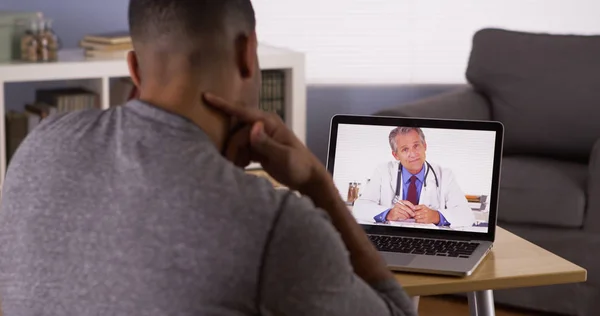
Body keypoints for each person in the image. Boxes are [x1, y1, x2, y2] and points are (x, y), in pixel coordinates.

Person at [0, 1, 417, 315]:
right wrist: (316, 183)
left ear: (134, 69)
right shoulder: (273, 224)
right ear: (247, 53)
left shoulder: (38, 148)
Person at [353, 127, 475, 228]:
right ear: (396, 155)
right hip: (394, 237)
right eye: (405, 149)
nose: (413, 154)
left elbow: (467, 215)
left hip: (430, 240)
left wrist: (436, 216)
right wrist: (388, 213)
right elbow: (360, 208)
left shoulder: (445, 175)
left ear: (425, 146)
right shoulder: (383, 171)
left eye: (416, 146)